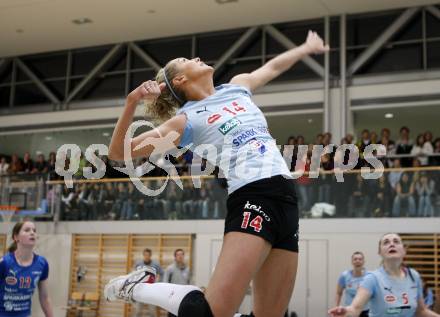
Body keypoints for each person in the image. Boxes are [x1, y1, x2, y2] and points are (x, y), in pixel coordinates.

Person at [104, 31, 329, 317]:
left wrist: (305, 48)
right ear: (179, 80)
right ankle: (138, 288)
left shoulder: (237, 87)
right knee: (212, 312)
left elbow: (272, 67)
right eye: (186, 59)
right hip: (253, 197)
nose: (196, 57)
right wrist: (130, 103)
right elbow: (118, 153)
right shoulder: (185, 122)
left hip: (287, 200)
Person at [329, 233, 440, 317]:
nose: (391, 244)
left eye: (396, 241)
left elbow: (421, 310)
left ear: (404, 251)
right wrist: (346, 311)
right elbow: (355, 308)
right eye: (386, 242)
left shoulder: (413, 276)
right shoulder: (372, 278)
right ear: (380, 252)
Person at [0, 221, 53, 317]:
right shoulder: (4, 263)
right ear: (16, 237)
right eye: (27, 230)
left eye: (34, 230)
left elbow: (44, 297)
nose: (32, 233)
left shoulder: (42, 263)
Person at [335, 252, 369, 317]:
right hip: (350, 311)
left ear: (363, 261)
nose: (357, 261)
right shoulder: (344, 276)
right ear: (352, 261)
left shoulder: (369, 276)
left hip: (365, 311)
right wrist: (337, 307)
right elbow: (338, 293)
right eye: (355, 259)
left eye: (360, 259)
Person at [133, 249, 164, 317]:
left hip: (151, 290)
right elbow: (134, 274)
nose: (147, 256)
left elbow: (162, 273)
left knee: (152, 311)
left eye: (148, 255)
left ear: (150, 255)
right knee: (137, 311)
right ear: (143, 255)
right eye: (145, 255)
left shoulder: (156, 264)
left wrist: (159, 283)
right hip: (140, 290)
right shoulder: (138, 264)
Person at [163, 249, 192, 317]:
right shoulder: (170, 269)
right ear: (175, 257)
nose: (180, 256)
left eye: (182, 254)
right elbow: (165, 283)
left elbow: (190, 283)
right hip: (173, 298)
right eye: (178, 255)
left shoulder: (187, 269)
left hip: (184, 297)